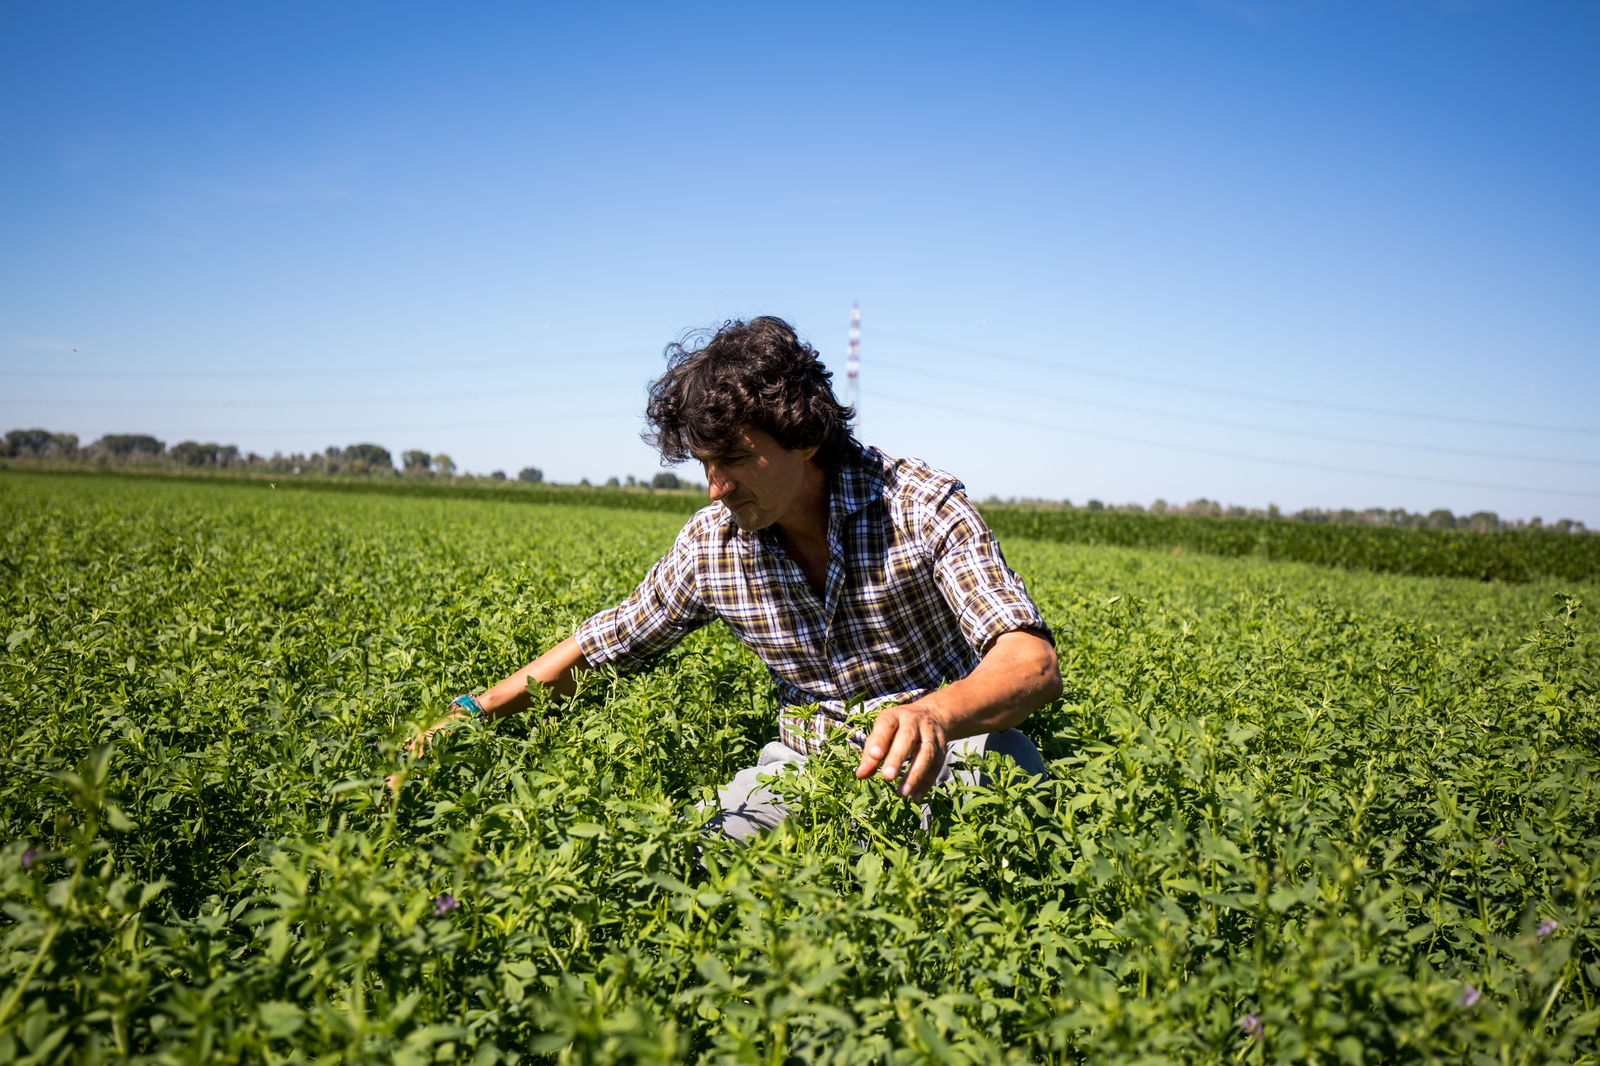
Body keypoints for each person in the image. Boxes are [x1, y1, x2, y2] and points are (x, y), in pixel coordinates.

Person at [403, 316, 1061, 840]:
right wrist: (473, 714)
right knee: (697, 859)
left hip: (953, 757)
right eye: (705, 463)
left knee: (1000, 829)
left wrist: (936, 711)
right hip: (809, 771)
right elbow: (607, 645)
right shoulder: (713, 545)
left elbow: (1030, 662)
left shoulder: (918, 505)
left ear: (805, 437)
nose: (716, 487)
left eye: (737, 460)